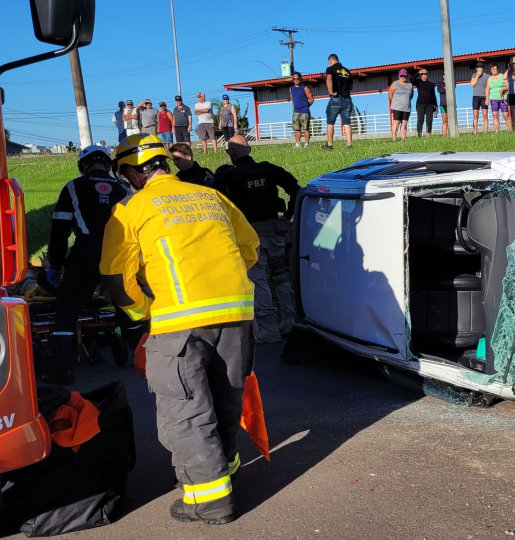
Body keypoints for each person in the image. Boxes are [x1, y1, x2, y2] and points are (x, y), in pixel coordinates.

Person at [101, 133, 258, 525]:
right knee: (226, 397)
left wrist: (145, 313)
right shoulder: (211, 196)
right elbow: (249, 248)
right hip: (236, 313)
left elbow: (115, 279)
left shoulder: (131, 209)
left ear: (133, 173)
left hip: (178, 322)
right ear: (165, 164)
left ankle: (208, 501)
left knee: (186, 410)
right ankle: (225, 470)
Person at [41, 146, 134, 384]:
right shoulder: (124, 189)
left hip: (86, 255)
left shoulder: (73, 187)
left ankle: (63, 369)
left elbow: (60, 231)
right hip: (118, 256)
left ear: (83, 165)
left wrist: (55, 267)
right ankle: (141, 355)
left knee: (67, 311)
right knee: (127, 306)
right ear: (109, 165)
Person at [210, 135, 299, 343]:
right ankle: (290, 319)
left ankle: (268, 328)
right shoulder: (268, 170)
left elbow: (214, 199)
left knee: (257, 279)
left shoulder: (229, 176)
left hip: (250, 236)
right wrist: (287, 217)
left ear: (232, 153)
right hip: (275, 231)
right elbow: (296, 189)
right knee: (280, 275)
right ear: (249, 150)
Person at [324, 54, 355, 150]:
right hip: (347, 99)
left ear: (330, 61)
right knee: (346, 123)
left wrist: (330, 92)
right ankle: (349, 144)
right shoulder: (347, 71)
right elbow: (351, 86)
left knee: (330, 122)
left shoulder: (330, 69)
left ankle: (329, 145)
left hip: (336, 98)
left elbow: (329, 79)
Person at [387, 69, 413, 141]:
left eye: (404, 76)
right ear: (398, 76)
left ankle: (403, 139)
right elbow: (390, 94)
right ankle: (394, 138)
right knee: (396, 121)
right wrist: (396, 101)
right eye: (401, 76)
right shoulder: (395, 84)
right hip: (397, 106)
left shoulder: (410, 85)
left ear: (406, 76)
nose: (402, 77)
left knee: (404, 122)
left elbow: (411, 96)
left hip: (407, 107)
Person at [289, 72, 314, 148]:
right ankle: (297, 144)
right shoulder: (291, 88)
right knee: (296, 129)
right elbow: (292, 99)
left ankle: (306, 144)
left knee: (305, 128)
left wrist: (306, 106)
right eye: (294, 79)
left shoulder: (305, 88)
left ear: (300, 79)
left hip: (304, 111)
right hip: (296, 111)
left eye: (297, 79)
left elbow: (311, 99)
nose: (296, 80)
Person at [414, 69, 438, 138]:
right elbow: (411, 80)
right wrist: (418, 73)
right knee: (420, 119)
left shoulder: (431, 84)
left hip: (430, 104)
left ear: (427, 75)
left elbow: (434, 95)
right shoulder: (418, 82)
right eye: (422, 74)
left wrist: (436, 106)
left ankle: (428, 135)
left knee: (429, 120)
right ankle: (419, 134)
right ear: (421, 76)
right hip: (420, 104)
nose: (424, 76)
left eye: (425, 74)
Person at [486, 63, 509, 133]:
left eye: (495, 69)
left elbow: (508, 86)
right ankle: (497, 131)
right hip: (493, 99)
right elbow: (487, 89)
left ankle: (511, 130)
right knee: (495, 115)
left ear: (497, 69)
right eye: (492, 69)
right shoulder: (489, 79)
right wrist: (487, 98)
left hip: (502, 98)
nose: (493, 70)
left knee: (506, 115)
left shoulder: (503, 76)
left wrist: (503, 89)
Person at [470, 63, 490, 134]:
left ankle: (485, 131)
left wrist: (487, 97)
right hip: (476, 97)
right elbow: (472, 84)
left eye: (480, 68)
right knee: (475, 115)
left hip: (484, 97)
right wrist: (477, 76)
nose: (479, 69)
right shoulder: (474, 75)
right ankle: (475, 131)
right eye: (478, 68)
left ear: (483, 69)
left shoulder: (487, 76)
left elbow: (488, 87)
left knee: (485, 115)